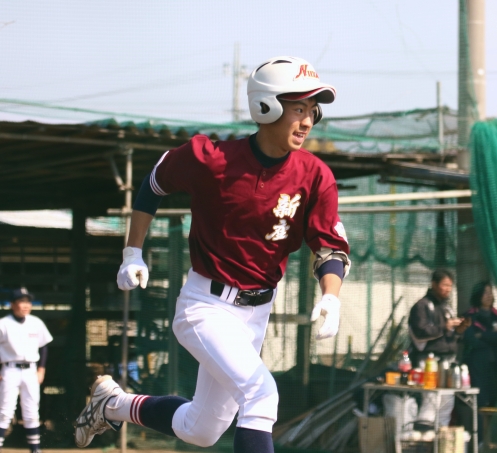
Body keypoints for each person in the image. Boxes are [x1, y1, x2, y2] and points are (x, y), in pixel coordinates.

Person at [74, 56, 351, 453]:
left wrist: (331, 296)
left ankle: (113, 404)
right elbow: (154, 183)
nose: (307, 120)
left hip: (257, 312)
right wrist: (132, 251)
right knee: (261, 395)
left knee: (201, 430)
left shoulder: (315, 174)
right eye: (298, 108)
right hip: (206, 305)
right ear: (265, 106)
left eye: (312, 110)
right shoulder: (212, 158)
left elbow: (329, 246)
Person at [407, 269, 469, 428]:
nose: (448, 289)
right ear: (434, 284)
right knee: (430, 401)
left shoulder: (447, 307)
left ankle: (441, 437)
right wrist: (445, 326)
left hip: (448, 361)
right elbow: (419, 332)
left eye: (450, 286)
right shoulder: (422, 306)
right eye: (444, 285)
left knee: (446, 403)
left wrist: (459, 330)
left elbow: (450, 336)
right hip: (429, 361)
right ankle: (423, 435)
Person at [0, 288, 53, 453]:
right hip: (10, 369)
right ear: (12, 304)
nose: (25, 305)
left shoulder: (36, 322)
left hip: (31, 370)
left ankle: (35, 450)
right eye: (21, 301)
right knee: (5, 412)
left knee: (31, 412)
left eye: (28, 302)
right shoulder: (4, 323)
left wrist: (41, 369)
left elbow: (44, 346)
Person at [462, 281, 497, 440]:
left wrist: (482, 335)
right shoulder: (469, 316)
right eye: (485, 293)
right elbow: (470, 338)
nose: (489, 296)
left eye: (491, 292)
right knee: (480, 403)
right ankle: (480, 441)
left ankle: (496, 440)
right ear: (478, 295)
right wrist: (492, 338)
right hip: (478, 366)